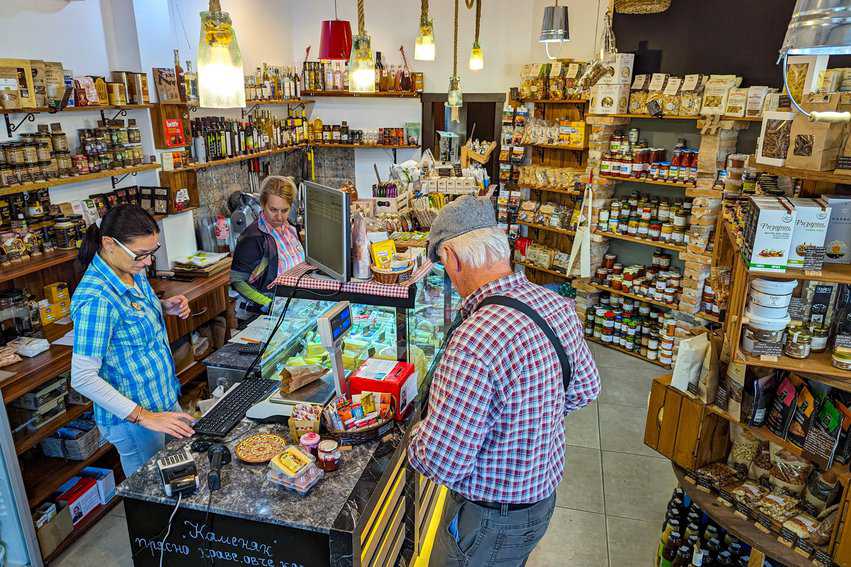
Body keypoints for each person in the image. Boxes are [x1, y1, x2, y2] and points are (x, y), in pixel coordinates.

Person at [407, 195, 601, 567]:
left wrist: (413, 434)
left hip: (489, 519)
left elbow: (444, 462)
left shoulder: (474, 338)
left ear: (453, 257)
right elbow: (585, 389)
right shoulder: (555, 305)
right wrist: (520, 421)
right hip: (540, 501)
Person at [70, 205, 195, 476]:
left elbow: (127, 323)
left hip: (161, 401)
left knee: (179, 480)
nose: (149, 262)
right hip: (136, 421)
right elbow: (82, 377)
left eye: (153, 252)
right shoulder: (96, 299)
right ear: (108, 244)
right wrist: (144, 416)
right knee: (151, 497)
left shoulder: (131, 270)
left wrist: (163, 307)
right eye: (141, 254)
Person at [231, 175, 304, 319]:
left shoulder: (290, 228)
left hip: (296, 307)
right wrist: (269, 304)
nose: (279, 217)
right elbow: (237, 281)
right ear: (263, 204)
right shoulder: (254, 238)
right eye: (273, 209)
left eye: (284, 210)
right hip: (269, 313)